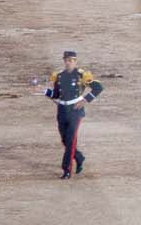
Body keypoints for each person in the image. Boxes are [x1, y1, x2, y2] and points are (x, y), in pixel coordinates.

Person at [43, 50, 102, 178]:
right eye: (66, 60)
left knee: (70, 140)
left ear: (75, 61)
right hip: (62, 110)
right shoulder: (59, 76)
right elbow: (57, 95)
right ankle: (79, 157)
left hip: (75, 110)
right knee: (65, 140)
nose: (68, 63)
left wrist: (86, 99)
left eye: (71, 60)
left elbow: (98, 87)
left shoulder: (82, 75)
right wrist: (44, 91)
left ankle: (67, 170)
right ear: (64, 61)